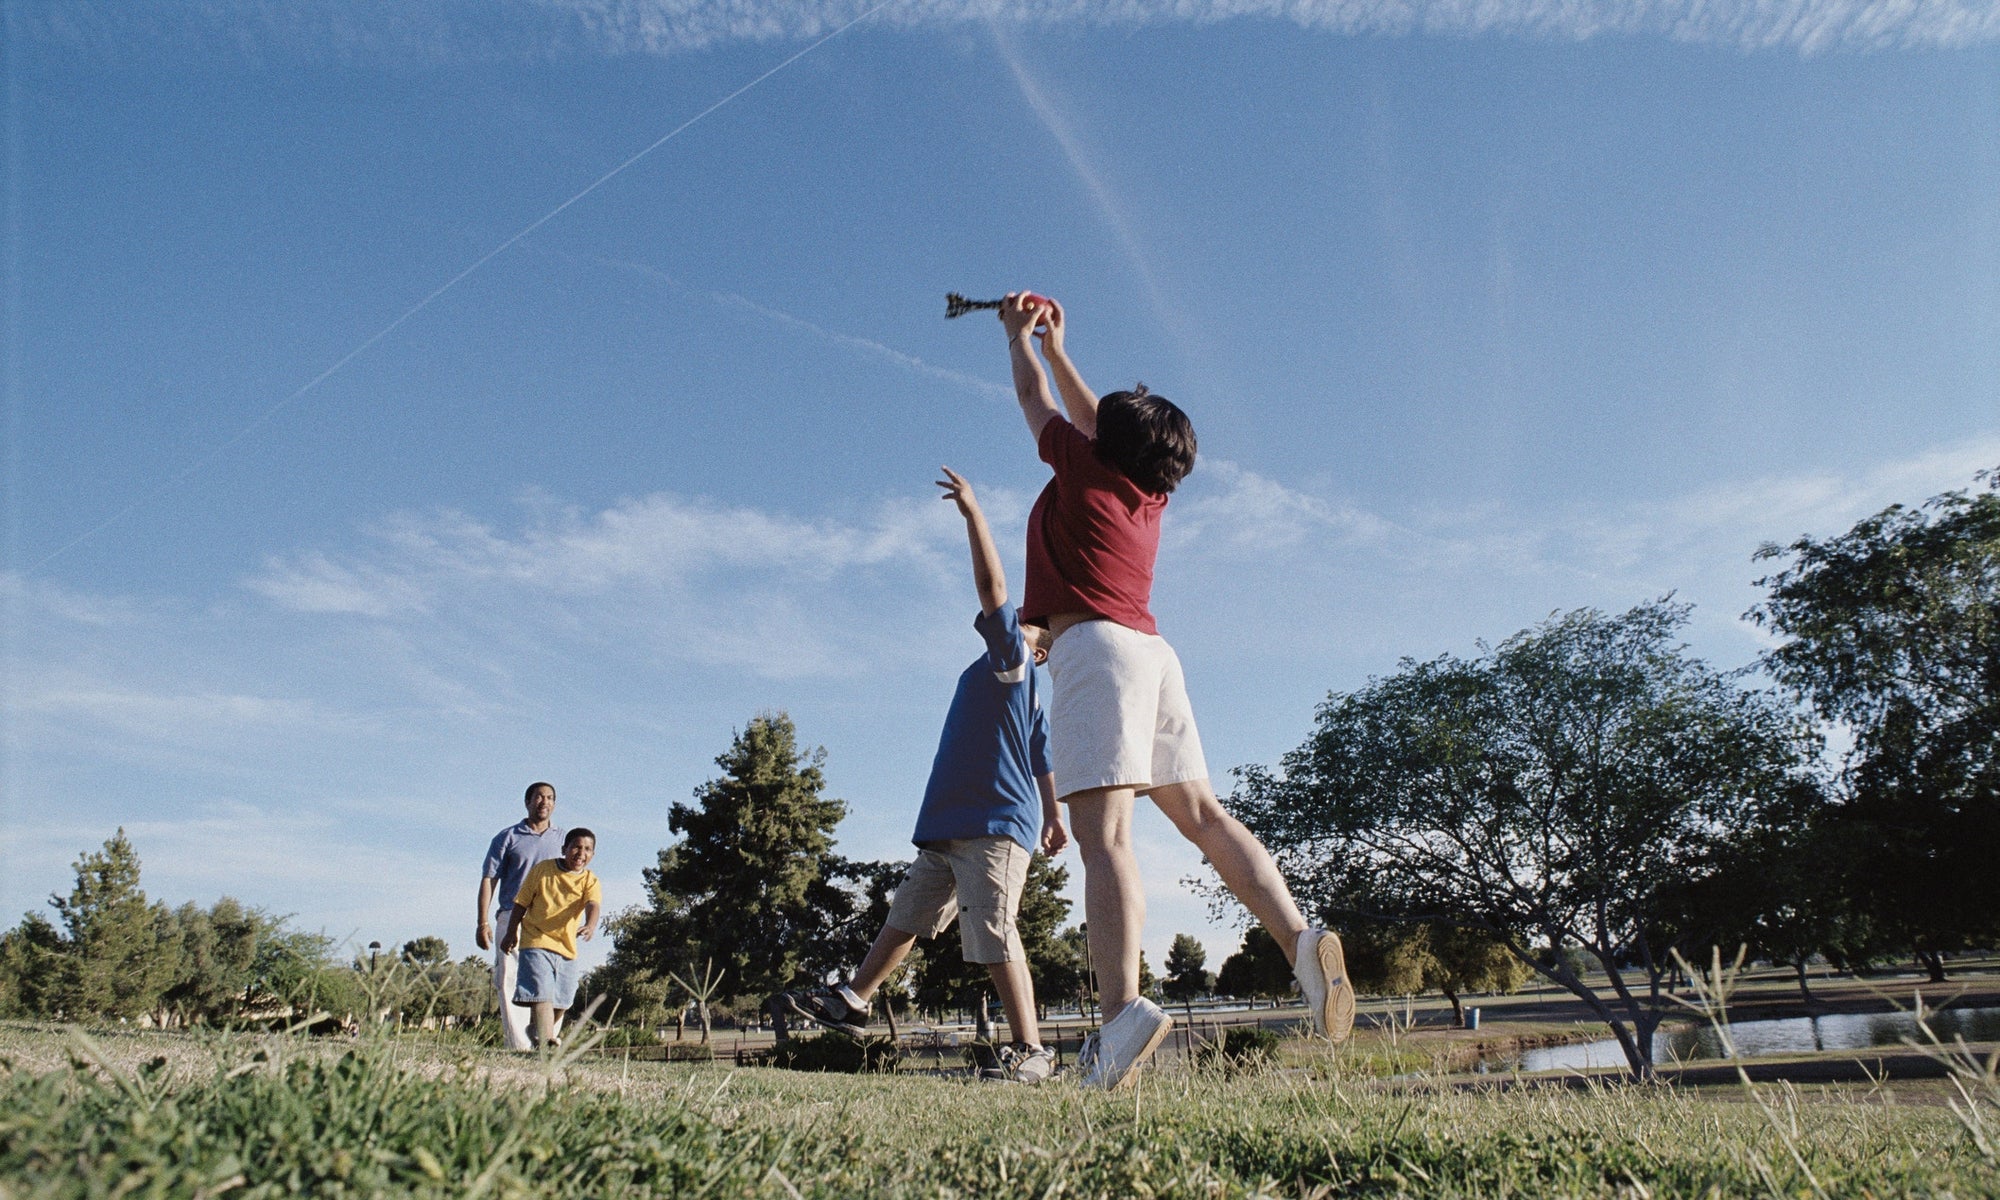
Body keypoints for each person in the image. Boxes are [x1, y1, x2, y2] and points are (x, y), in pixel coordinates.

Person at [996, 292, 1356, 1090]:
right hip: (1155, 654)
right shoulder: (1147, 494)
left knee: (1106, 840)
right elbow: (1096, 421)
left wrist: (1023, 341)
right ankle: (1300, 942)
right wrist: (1060, 347)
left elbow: (1036, 403)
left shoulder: (1083, 462)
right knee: (1204, 816)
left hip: (1093, 650)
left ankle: (1122, 1014)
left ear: (1107, 442)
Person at [778, 467, 1069, 1084]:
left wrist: (974, 516)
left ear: (1037, 647)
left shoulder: (1018, 663)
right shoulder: (1013, 680)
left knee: (995, 930)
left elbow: (993, 589)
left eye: (1027, 624)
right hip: (950, 823)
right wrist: (1055, 814)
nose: (1015, 622)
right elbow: (1042, 756)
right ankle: (853, 1000)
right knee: (905, 916)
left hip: (992, 823)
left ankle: (1033, 1051)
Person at [476, 781, 566, 1051]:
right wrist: (482, 922)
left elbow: (578, 880)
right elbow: (489, 879)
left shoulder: (564, 840)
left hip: (552, 921)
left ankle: (546, 1040)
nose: (544, 802)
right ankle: (518, 1046)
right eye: (539, 797)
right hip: (512, 916)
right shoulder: (507, 837)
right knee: (509, 979)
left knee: (553, 981)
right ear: (527, 802)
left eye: (550, 798)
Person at [499, 827, 603, 1049]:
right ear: (564, 848)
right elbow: (521, 902)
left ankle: (537, 1029)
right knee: (541, 992)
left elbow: (593, 904)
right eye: (576, 847)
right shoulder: (543, 870)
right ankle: (547, 1042)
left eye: (587, 849)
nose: (580, 853)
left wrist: (591, 925)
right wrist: (510, 932)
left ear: (592, 855)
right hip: (536, 940)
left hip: (567, 947)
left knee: (564, 999)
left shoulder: (590, 881)